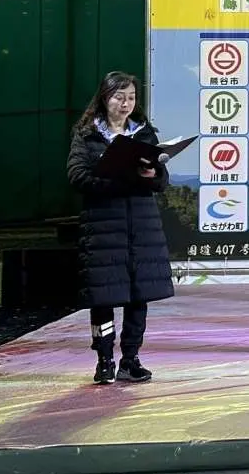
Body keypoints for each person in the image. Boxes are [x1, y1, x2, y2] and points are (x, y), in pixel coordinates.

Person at [66, 71, 174, 385]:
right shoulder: (87, 134)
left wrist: (153, 174)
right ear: (105, 98)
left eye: (131, 98)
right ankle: (104, 360)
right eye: (119, 97)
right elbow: (77, 176)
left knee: (139, 296)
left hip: (142, 227)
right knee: (104, 297)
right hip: (103, 227)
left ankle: (130, 360)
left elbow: (162, 181)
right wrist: (120, 179)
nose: (125, 104)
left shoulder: (144, 133)